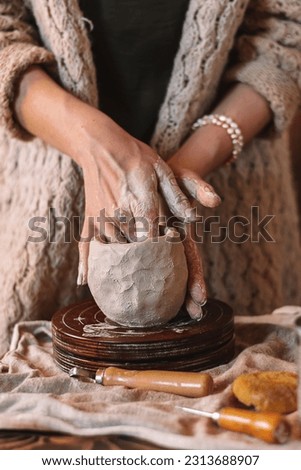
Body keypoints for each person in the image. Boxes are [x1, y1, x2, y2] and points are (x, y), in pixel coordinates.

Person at [0, 0, 300, 357]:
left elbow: (286, 35)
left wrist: (178, 173)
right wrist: (92, 143)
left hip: (231, 196)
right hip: (45, 199)